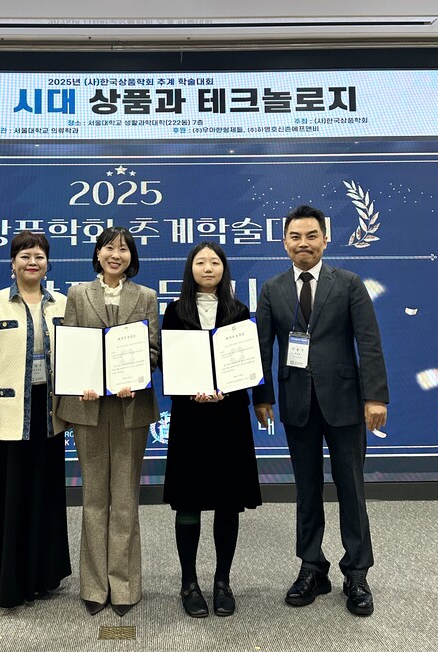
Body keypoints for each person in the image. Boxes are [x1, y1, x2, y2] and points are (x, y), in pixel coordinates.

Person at [253, 204, 389, 616]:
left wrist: (375, 397)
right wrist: (262, 397)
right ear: (284, 243)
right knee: (306, 491)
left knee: (351, 489)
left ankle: (357, 572)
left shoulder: (347, 283)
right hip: (297, 403)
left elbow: (369, 341)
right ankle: (311, 567)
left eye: (311, 236)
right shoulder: (272, 289)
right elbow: (262, 348)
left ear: (325, 240)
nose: (304, 243)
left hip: (345, 402)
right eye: (295, 237)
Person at [0, 231, 71, 608]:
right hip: (7, 415)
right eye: (25, 256)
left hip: (48, 413)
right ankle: (8, 581)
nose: (32, 262)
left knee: (44, 493)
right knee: (9, 498)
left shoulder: (63, 304)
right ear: (12, 263)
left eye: (39, 256)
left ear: (48, 263)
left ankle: (42, 576)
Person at [57, 226, 159, 617]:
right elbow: (71, 345)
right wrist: (80, 381)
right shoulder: (78, 294)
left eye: (123, 249)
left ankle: (125, 586)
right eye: (109, 248)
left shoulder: (146, 296)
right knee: (95, 497)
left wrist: (136, 375)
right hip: (89, 406)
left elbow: (153, 349)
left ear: (132, 257)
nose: (116, 255)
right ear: (97, 254)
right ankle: (94, 586)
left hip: (131, 405)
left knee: (125, 499)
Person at [161, 242, 261, 618]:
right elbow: (168, 362)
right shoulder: (175, 311)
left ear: (224, 268)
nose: (207, 267)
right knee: (188, 500)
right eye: (200, 262)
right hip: (190, 417)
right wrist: (191, 389)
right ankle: (188, 583)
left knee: (227, 500)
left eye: (214, 262)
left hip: (229, 416)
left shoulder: (239, 311)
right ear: (190, 269)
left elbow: (246, 361)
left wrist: (228, 389)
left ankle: (222, 581)